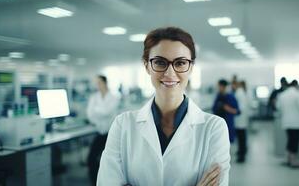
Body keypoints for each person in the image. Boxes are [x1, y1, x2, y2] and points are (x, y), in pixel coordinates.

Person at [97, 27, 231, 186]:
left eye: (180, 63)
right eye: (160, 62)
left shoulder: (214, 128)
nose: (169, 73)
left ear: (191, 68)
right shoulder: (122, 125)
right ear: (147, 66)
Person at [86, 75, 118, 185]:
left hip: (110, 133)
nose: (97, 85)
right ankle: (95, 182)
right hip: (100, 131)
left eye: (99, 82)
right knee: (91, 159)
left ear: (105, 82)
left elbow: (106, 112)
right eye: (96, 83)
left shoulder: (114, 97)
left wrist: (96, 110)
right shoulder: (94, 97)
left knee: (109, 162)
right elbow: (90, 115)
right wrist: (99, 112)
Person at [276, 80, 299, 167]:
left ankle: (288, 159)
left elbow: (278, 107)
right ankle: (293, 161)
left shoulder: (282, 95)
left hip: (286, 122)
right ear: (296, 85)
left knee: (290, 140)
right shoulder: (298, 94)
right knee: (295, 142)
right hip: (296, 123)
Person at [212, 79, 240, 144]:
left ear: (223, 86)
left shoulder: (230, 97)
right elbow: (214, 108)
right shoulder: (218, 96)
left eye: (219, 86)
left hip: (228, 125)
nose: (218, 88)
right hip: (218, 126)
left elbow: (237, 111)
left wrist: (227, 108)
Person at [235, 81, 250, 163]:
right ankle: (242, 152)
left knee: (241, 138)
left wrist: (233, 111)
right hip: (242, 119)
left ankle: (241, 156)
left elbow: (240, 108)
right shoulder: (242, 92)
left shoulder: (239, 93)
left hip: (240, 119)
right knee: (242, 137)